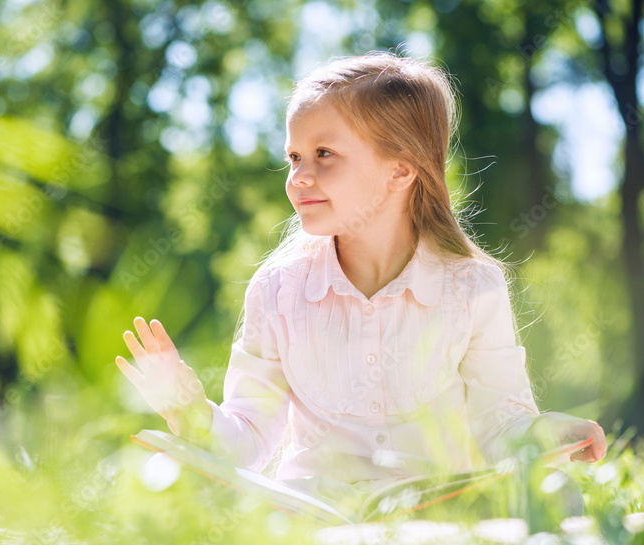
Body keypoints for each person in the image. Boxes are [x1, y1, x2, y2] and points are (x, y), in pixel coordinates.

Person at [115, 51, 606, 496]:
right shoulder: (278, 289)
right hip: (316, 520)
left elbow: (501, 424)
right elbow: (249, 444)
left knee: (558, 494)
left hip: (437, 518)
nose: (298, 177)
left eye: (324, 154)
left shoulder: (472, 288)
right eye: (294, 157)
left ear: (400, 170)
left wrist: (548, 432)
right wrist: (190, 411)